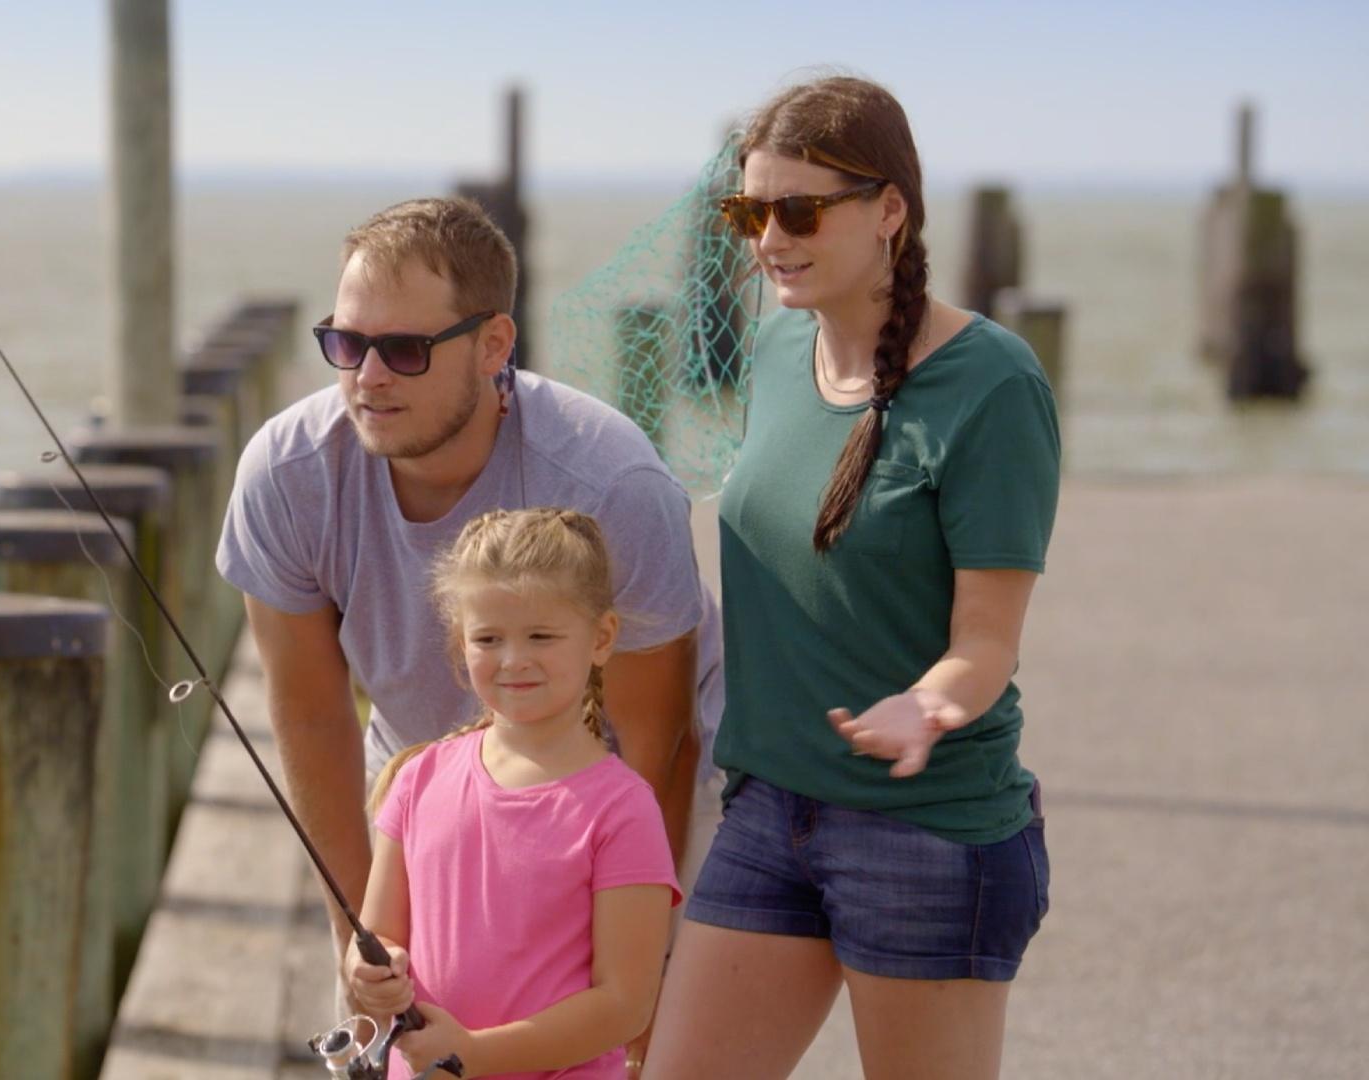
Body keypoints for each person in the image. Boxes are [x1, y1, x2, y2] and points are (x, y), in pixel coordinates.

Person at [216, 196, 723, 1020]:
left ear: (493, 345)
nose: (366, 378)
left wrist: (627, 973)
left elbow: (654, 741)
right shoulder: (288, 473)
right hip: (420, 785)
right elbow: (311, 720)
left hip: (609, 788)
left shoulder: (613, 484)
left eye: (405, 349)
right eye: (346, 344)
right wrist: (362, 943)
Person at [645, 76, 1060, 1080]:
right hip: (769, 807)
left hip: (923, 832)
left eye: (798, 211)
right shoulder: (784, 348)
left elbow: (986, 642)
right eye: (750, 211)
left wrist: (926, 706)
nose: (767, 239)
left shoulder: (992, 385)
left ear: (889, 211)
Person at [345, 508, 679, 1078]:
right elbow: (378, 933)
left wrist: (476, 1054)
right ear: (461, 643)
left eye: (542, 636)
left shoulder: (623, 809)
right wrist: (368, 974)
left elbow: (626, 1004)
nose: (514, 659)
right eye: (488, 638)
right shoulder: (417, 779)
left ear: (601, 639)